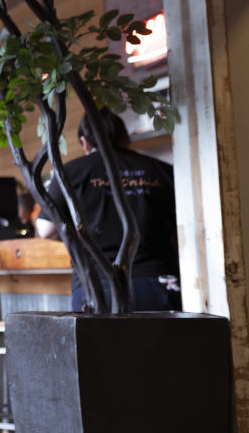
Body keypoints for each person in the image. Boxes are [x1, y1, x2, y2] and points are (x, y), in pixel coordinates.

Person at [35, 109, 181, 312]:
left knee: (99, 344)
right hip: (158, 280)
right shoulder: (161, 170)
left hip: (95, 284)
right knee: (165, 344)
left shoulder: (69, 172)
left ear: (85, 142)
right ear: (126, 138)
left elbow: (46, 230)